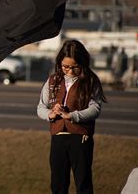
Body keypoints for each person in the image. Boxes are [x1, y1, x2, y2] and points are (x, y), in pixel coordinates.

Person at [37, 39, 107, 194]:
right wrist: (51, 113)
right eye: (65, 67)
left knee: (83, 184)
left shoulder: (90, 81)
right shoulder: (53, 80)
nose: (69, 71)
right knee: (58, 185)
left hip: (80, 138)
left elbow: (95, 109)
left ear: (82, 63)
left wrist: (72, 116)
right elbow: (40, 107)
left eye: (74, 67)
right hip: (58, 137)